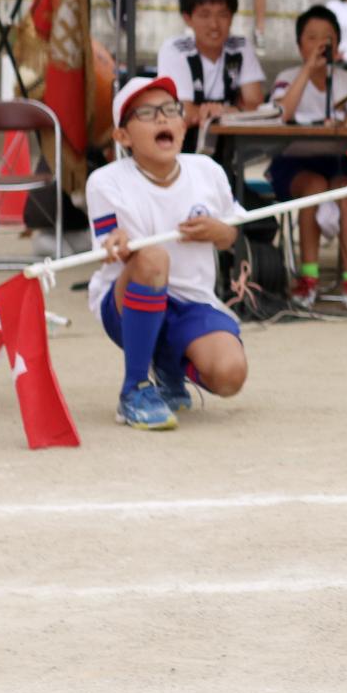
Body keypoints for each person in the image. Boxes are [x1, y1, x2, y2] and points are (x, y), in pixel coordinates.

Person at [87, 76, 248, 431]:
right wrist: (119, 243)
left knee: (230, 375)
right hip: (125, 301)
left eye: (170, 110)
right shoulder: (105, 181)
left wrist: (219, 231)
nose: (162, 119)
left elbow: (230, 234)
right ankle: (134, 391)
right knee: (153, 256)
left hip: (193, 301)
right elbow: (107, 248)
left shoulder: (208, 170)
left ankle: (169, 368)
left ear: (183, 124)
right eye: (146, 113)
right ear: (123, 137)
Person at [269, 5, 347, 311]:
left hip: (337, 163)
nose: (319, 44)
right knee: (313, 187)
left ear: (337, 46)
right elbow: (282, 113)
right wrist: (308, 70)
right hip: (294, 164)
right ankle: (308, 277)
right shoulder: (287, 78)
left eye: (327, 38)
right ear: (300, 44)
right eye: (311, 38)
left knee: (346, 193)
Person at [155, 0, 265, 146]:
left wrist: (221, 111)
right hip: (183, 147)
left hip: (231, 145)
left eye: (222, 15)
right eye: (204, 15)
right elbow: (182, 113)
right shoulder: (175, 50)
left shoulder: (241, 47)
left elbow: (256, 106)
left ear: (232, 17)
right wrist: (233, 110)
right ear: (187, 19)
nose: (214, 25)